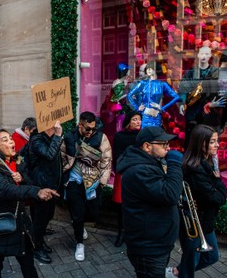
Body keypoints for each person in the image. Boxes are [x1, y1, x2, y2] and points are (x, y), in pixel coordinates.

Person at [0, 129, 59, 278]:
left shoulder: (18, 162)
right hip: (0, 223)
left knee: (28, 264)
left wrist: (23, 178)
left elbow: (30, 181)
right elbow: (4, 190)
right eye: (5, 140)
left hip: (20, 224)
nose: (11, 142)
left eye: (11, 139)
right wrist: (36, 192)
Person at [116, 126, 183, 278]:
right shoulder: (139, 170)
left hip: (157, 242)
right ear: (147, 146)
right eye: (163, 144)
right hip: (149, 248)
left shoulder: (148, 162)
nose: (168, 148)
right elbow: (169, 194)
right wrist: (174, 163)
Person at [165, 124, 227, 278]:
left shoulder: (205, 162)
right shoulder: (196, 169)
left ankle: (176, 272)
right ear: (202, 144)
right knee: (192, 260)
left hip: (204, 221)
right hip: (194, 223)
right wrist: (217, 180)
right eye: (213, 142)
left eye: (217, 141)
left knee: (212, 256)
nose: (217, 145)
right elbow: (218, 198)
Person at [61, 111, 112, 261]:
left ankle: (80, 224)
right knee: (77, 214)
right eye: (87, 129)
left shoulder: (100, 137)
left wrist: (102, 182)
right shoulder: (70, 136)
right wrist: (66, 175)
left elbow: (106, 160)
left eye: (93, 128)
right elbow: (62, 155)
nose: (91, 132)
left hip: (93, 183)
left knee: (94, 213)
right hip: (74, 181)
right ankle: (79, 243)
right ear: (80, 125)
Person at [25, 120, 63, 264]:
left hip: (51, 185)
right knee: (40, 220)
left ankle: (38, 240)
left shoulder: (48, 138)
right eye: (55, 125)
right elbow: (49, 155)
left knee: (47, 216)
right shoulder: (37, 140)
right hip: (41, 187)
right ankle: (36, 247)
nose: (58, 127)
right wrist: (58, 136)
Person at [178, 46, 222, 148]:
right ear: (198, 55)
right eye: (202, 53)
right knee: (191, 138)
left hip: (208, 110)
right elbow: (183, 88)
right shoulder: (190, 72)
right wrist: (182, 102)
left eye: (207, 54)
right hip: (192, 109)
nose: (204, 56)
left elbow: (218, 90)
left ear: (210, 56)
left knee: (207, 138)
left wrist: (212, 103)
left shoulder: (215, 72)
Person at [111, 111, 142, 247]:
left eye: (139, 119)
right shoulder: (120, 136)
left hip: (139, 174)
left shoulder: (143, 137)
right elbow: (116, 155)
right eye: (135, 119)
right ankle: (121, 232)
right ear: (128, 121)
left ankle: (134, 235)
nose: (138, 122)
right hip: (123, 173)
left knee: (137, 205)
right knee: (121, 206)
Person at [127, 61, 181, 128]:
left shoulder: (162, 84)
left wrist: (162, 108)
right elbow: (129, 95)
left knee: (156, 136)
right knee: (145, 135)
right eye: (147, 68)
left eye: (151, 68)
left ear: (156, 69)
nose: (148, 70)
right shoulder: (143, 83)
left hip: (156, 115)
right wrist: (137, 107)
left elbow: (176, 97)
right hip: (145, 116)